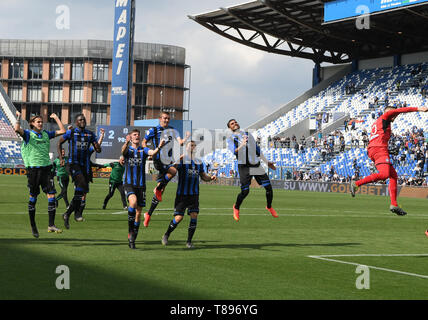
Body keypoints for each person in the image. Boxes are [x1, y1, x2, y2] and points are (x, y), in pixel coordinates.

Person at [351, 105, 428, 215]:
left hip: (375, 149)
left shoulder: (381, 123)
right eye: (394, 113)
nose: (395, 115)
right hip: (378, 149)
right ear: (387, 112)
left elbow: (378, 138)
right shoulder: (385, 116)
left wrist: (389, 151)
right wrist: (418, 109)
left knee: (393, 176)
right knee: (384, 174)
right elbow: (401, 110)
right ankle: (357, 183)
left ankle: (394, 204)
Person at [14, 111, 66, 237]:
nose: (41, 123)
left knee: (51, 196)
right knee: (33, 198)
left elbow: (63, 131)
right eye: (38, 121)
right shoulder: (28, 134)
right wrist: (18, 117)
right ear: (32, 124)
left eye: (42, 121)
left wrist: (56, 118)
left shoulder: (46, 134)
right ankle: (33, 226)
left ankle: (51, 225)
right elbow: (16, 129)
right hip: (33, 171)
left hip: (47, 170)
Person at [161, 140, 217, 248]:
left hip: (194, 195)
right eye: (191, 145)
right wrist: (178, 160)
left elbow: (203, 176)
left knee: (194, 216)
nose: (193, 147)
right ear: (186, 148)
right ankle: (166, 234)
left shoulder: (199, 162)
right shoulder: (182, 160)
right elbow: (173, 169)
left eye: (194, 146)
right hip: (182, 194)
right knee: (178, 218)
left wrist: (210, 178)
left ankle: (189, 242)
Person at [141, 111, 190, 227]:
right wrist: (149, 151)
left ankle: (148, 214)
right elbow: (144, 142)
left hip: (168, 161)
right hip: (158, 159)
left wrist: (186, 137)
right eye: (164, 118)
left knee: (160, 192)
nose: (166, 120)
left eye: (168, 119)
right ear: (160, 119)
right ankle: (158, 187)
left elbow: (181, 143)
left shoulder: (173, 130)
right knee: (173, 171)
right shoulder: (153, 130)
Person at [226, 119, 278, 221]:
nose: (235, 123)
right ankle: (236, 207)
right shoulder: (230, 139)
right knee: (245, 191)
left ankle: (269, 206)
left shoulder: (247, 134)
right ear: (229, 128)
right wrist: (242, 145)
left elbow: (257, 150)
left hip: (255, 164)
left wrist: (267, 162)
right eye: (232, 123)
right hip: (244, 166)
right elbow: (234, 151)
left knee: (268, 187)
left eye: (235, 122)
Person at [122, 129, 165, 249]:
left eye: (138, 135)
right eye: (134, 135)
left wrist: (159, 147)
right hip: (129, 183)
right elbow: (123, 151)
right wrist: (126, 142)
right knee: (133, 202)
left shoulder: (143, 150)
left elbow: (152, 152)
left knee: (138, 212)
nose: (137, 136)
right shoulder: (128, 149)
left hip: (141, 185)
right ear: (130, 137)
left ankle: (134, 235)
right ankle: (130, 231)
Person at [58, 114, 101, 229]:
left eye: (84, 119)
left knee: (81, 192)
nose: (82, 121)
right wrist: (61, 159)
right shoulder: (71, 133)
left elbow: (98, 149)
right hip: (73, 164)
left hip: (85, 166)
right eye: (80, 120)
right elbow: (59, 143)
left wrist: (97, 147)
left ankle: (68, 214)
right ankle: (75, 214)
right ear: (76, 122)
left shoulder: (90, 134)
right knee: (81, 185)